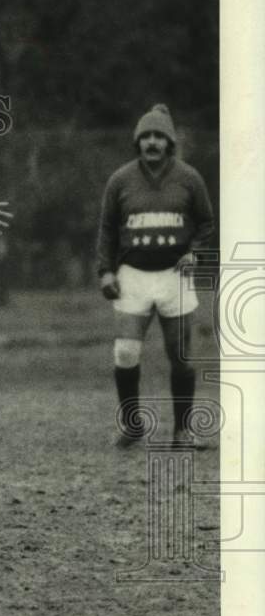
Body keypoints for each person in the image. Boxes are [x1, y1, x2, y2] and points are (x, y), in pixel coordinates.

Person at [95, 104, 215, 449]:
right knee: (125, 353)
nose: (151, 142)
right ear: (137, 142)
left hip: (174, 276)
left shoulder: (189, 178)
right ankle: (132, 425)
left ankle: (183, 430)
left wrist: (195, 252)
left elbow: (206, 223)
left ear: (169, 142)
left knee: (180, 355)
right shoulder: (120, 180)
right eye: (145, 136)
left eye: (158, 136)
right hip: (133, 275)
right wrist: (105, 271)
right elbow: (106, 230)